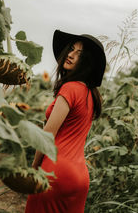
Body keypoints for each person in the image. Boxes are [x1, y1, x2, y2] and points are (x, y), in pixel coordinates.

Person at [25, 29, 106, 213]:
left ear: (87, 62)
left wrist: (34, 168)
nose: (70, 55)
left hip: (55, 173)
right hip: (80, 177)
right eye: (71, 49)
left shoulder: (69, 89)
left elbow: (47, 136)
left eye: (79, 54)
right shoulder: (91, 96)